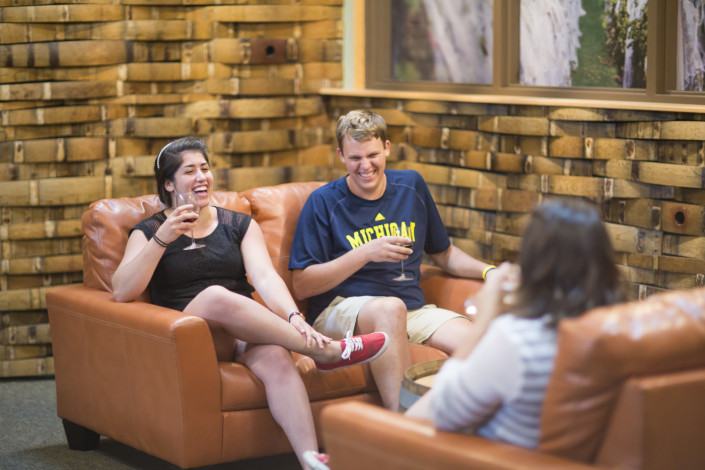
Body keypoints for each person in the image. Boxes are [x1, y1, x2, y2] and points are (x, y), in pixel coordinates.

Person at [111, 136, 389, 470]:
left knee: (276, 358)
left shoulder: (237, 224)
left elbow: (266, 278)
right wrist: (162, 239)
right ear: (169, 183)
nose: (202, 176)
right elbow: (122, 291)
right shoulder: (150, 230)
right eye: (189, 171)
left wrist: (293, 316)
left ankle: (311, 459)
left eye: (205, 167)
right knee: (216, 296)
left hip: (242, 330)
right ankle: (325, 351)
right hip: (190, 335)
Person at [288, 110, 496, 411]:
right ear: (340, 156)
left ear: (387, 148)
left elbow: (445, 254)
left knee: (482, 344)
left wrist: (489, 270)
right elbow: (302, 285)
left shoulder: (411, 187)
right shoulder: (324, 202)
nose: (365, 166)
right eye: (355, 158)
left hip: (411, 309)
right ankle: (401, 434)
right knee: (389, 308)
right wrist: (364, 253)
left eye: (372, 155)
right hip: (340, 310)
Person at [405, 198, 623, 449]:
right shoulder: (619, 331)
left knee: (397, 434)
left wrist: (487, 317)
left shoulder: (517, 340)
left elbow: (439, 409)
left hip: (497, 458)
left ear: (534, 260)